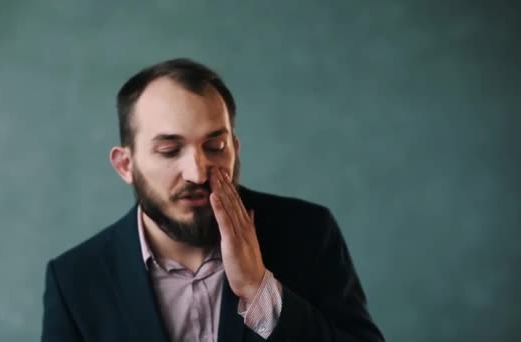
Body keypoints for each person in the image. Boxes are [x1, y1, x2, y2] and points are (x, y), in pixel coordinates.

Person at [41, 58, 384, 342]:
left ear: (235, 150)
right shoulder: (75, 279)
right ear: (125, 165)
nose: (197, 173)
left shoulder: (309, 233)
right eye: (169, 150)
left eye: (215, 147)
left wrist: (259, 289)